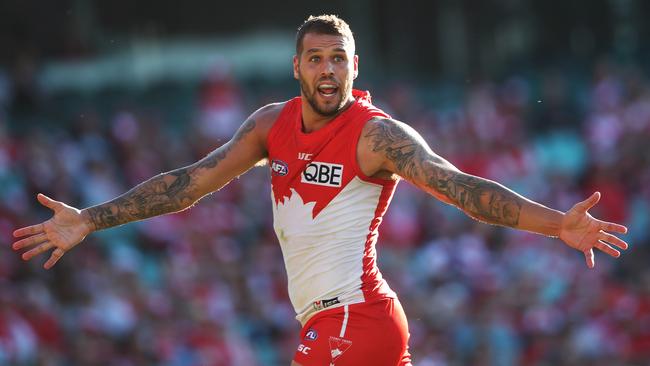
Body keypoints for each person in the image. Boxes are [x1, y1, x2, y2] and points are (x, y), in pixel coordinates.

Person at [12, 15, 629, 366]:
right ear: (297, 67)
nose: (328, 69)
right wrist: (90, 219)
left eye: (339, 58)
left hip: (353, 319)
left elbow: (459, 187)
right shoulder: (267, 126)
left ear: (354, 68)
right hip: (345, 322)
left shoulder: (376, 136)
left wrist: (559, 225)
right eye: (316, 58)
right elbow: (183, 188)